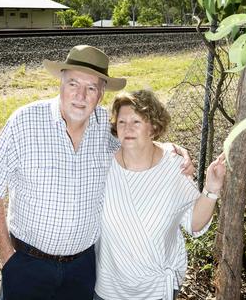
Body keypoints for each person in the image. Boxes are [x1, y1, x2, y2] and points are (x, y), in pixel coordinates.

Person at [0, 45, 195, 300]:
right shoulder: (24, 122)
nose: (80, 95)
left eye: (91, 88)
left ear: (101, 93)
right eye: (73, 84)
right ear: (61, 82)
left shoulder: (107, 129)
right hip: (28, 263)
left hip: (83, 268)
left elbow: (139, 143)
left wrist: (171, 150)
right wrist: (6, 255)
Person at [94, 89, 226, 300]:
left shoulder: (173, 167)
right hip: (110, 288)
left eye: (136, 122)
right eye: (121, 122)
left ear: (153, 128)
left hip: (156, 290)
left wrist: (212, 188)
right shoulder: (102, 166)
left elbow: (194, 223)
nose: (127, 128)